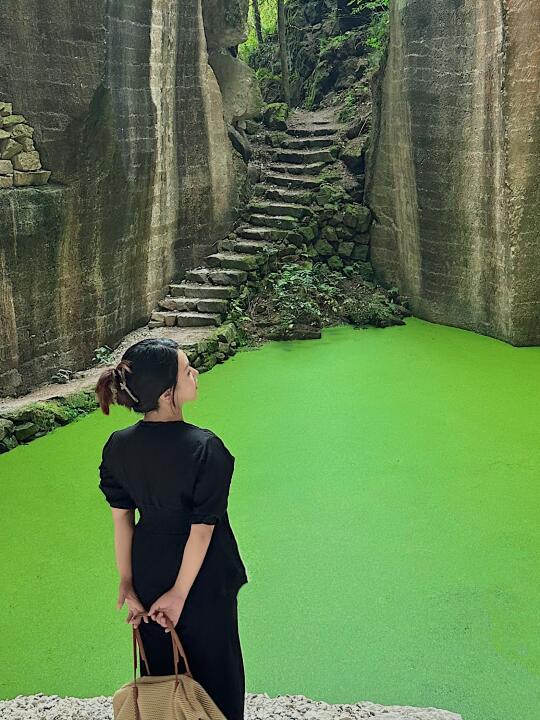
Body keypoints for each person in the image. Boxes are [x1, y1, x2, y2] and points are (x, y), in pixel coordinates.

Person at [94, 337, 249, 720]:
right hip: (202, 577)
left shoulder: (118, 446)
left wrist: (128, 582)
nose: (195, 373)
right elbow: (201, 530)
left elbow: (122, 520)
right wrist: (179, 594)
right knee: (216, 672)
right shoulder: (205, 448)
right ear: (167, 394)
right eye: (186, 370)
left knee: (161, 672)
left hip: (148, 568)